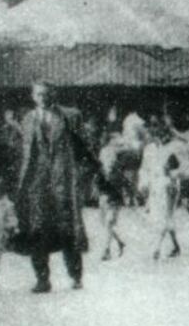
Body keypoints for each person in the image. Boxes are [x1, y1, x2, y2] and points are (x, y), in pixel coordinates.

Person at [13, 82, 105, 293]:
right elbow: (22, 153)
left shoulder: (70, 116)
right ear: (33, 96)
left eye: (46, 94)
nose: (43, 98)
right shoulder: (27, 119)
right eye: (39, 94)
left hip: (62, 180)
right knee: (37, 229)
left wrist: (84, 176)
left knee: (67, 227)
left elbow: (85, 147)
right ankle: (42, 279)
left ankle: (75, 275)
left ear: (53, 94)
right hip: (37, 183)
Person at [97, 132, 127, 261]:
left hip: (115, 190)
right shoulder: (104, 151)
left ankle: (107, 250)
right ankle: (120, 242)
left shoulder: (120, 153)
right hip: (105, 189)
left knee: (109, 221)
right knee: (105, 222)